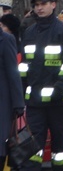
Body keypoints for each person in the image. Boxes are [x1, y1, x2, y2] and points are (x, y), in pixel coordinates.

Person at [20, 0, 63, 171]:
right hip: (35, 103)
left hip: (60, 102)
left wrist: (58, 89)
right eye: (36, 5)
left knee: (60, 148)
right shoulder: (29, 32)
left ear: (53, 5)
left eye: (43, 4)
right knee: (33, 147)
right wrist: (22, 91)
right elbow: (24, 65)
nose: (39, 8)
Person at [1, 29, 25, 168]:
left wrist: (18, 104)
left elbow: (13, 72)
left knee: (2, 147)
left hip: (3, 102)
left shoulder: (6, 39)